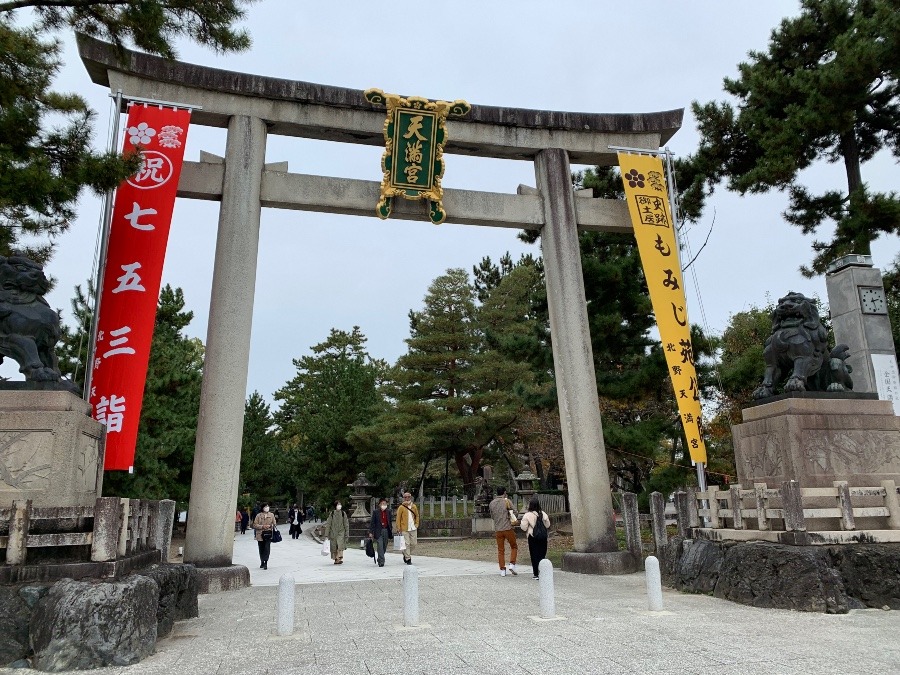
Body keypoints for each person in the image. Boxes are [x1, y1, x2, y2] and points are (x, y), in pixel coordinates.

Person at [489, 487, 518, 576]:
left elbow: (492, 516)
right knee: (514, 546)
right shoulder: (507, 501)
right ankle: (512, 564)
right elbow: (515, 512)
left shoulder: (492, 503)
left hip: (498, 529)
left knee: (500, 550)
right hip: (508, 527)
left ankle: (502, 569)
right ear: (504, 492)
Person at [520, 497, 551, 579]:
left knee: (534, 554)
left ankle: (536, 573)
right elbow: (548, 525)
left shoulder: (527, 515)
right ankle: (542, 571)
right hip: (543, 536)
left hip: (532, 536)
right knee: (542, 554)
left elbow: (523, 527)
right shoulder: (543, 514)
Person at [395, 492, 419, 565]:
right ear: (403, 498)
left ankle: (405, 553)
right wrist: (398, 527)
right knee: (407, 544)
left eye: (408, 497)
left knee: (414, 544)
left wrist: (417, 524)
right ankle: (408, 558)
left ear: (410, 497)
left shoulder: (414, 506)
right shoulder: (401, 507)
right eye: (405, 497)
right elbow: (398, 518)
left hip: (413, 527)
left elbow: (417, 516)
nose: (407, 498)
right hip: (404, 528)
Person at [368, 497, 393, 567]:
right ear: (379, 505)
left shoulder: (388, 512)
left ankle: (380, 557)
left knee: (384, 546)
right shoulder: (376, 512)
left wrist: (391, 529)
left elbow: (390, 522)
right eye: (382, 504)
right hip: (378, 530)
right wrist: (371, 532)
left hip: (386, 530)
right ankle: (381, 561)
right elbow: (372, 523)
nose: (384, 505)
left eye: (385, 503)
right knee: (380, 545)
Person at [251, 502, 277, 570]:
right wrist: (262, 526)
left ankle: (266, 562)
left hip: (268, 534)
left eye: (268, 506)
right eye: (265, 506)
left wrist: (270, 526)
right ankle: (262, 561)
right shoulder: (258, 515)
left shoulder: (271, 515)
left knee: (267, 548)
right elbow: (254, 525)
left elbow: (274, 524)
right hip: (260, 534)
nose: (267, 507)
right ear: (262, 507)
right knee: (261, 548)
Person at [324, 499, 349, 564]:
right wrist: (326, 534)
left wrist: (347, 533)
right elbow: (328, 524)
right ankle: (336, 559)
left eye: (340, 504)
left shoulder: (343, 514)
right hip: (333, 533)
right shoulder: (332, 514)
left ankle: (339, 558)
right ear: (335, 506)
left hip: (341, 532)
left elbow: (346, 524)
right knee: (334, 546)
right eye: (338, 504)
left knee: (340, 545)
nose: (339, 506)